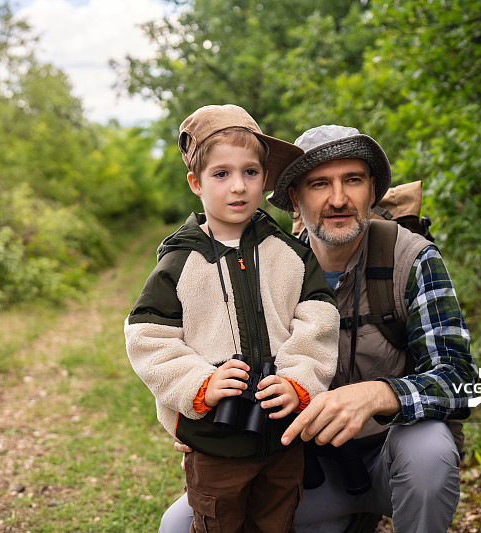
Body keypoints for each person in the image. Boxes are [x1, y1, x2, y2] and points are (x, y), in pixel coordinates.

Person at [161, 124, 478, 533]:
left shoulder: (412, 258)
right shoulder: (265, 265)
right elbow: (192, 358)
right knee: (177, 525)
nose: (339, 198)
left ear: (372, 190)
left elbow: (462, 381)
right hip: (301, 470)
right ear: (294, 198)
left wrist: (377, 394)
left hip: (392, 461)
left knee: (430, 447)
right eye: (319, 184)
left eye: (353, 180)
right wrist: (200, 413)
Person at [125, 105, 340, 533]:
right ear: (196, 182)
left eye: (251, 173)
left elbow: (318, 321)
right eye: (221, 174)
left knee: (277, 521)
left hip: (282, 436)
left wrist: (298, 382)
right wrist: (199, 383)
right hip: (214, 442)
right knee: (218, 522)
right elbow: (149, 337)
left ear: (265, 178)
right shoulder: (180, 261)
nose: (238, 187)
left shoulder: (290, 255)